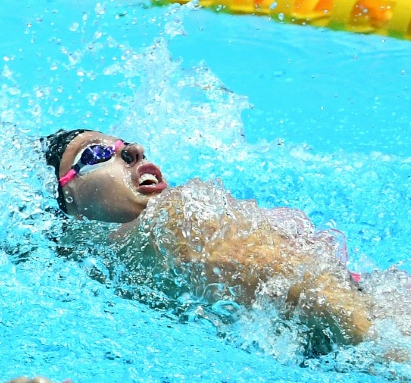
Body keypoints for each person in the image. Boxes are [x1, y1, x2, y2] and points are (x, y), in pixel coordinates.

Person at [41, 128, 376, 352]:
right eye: (98, 153)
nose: (134, 150)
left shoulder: (179, 217)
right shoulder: (101, 263)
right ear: (65, 195)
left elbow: (328, 300)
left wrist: (382, 346)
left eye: (124, 145)